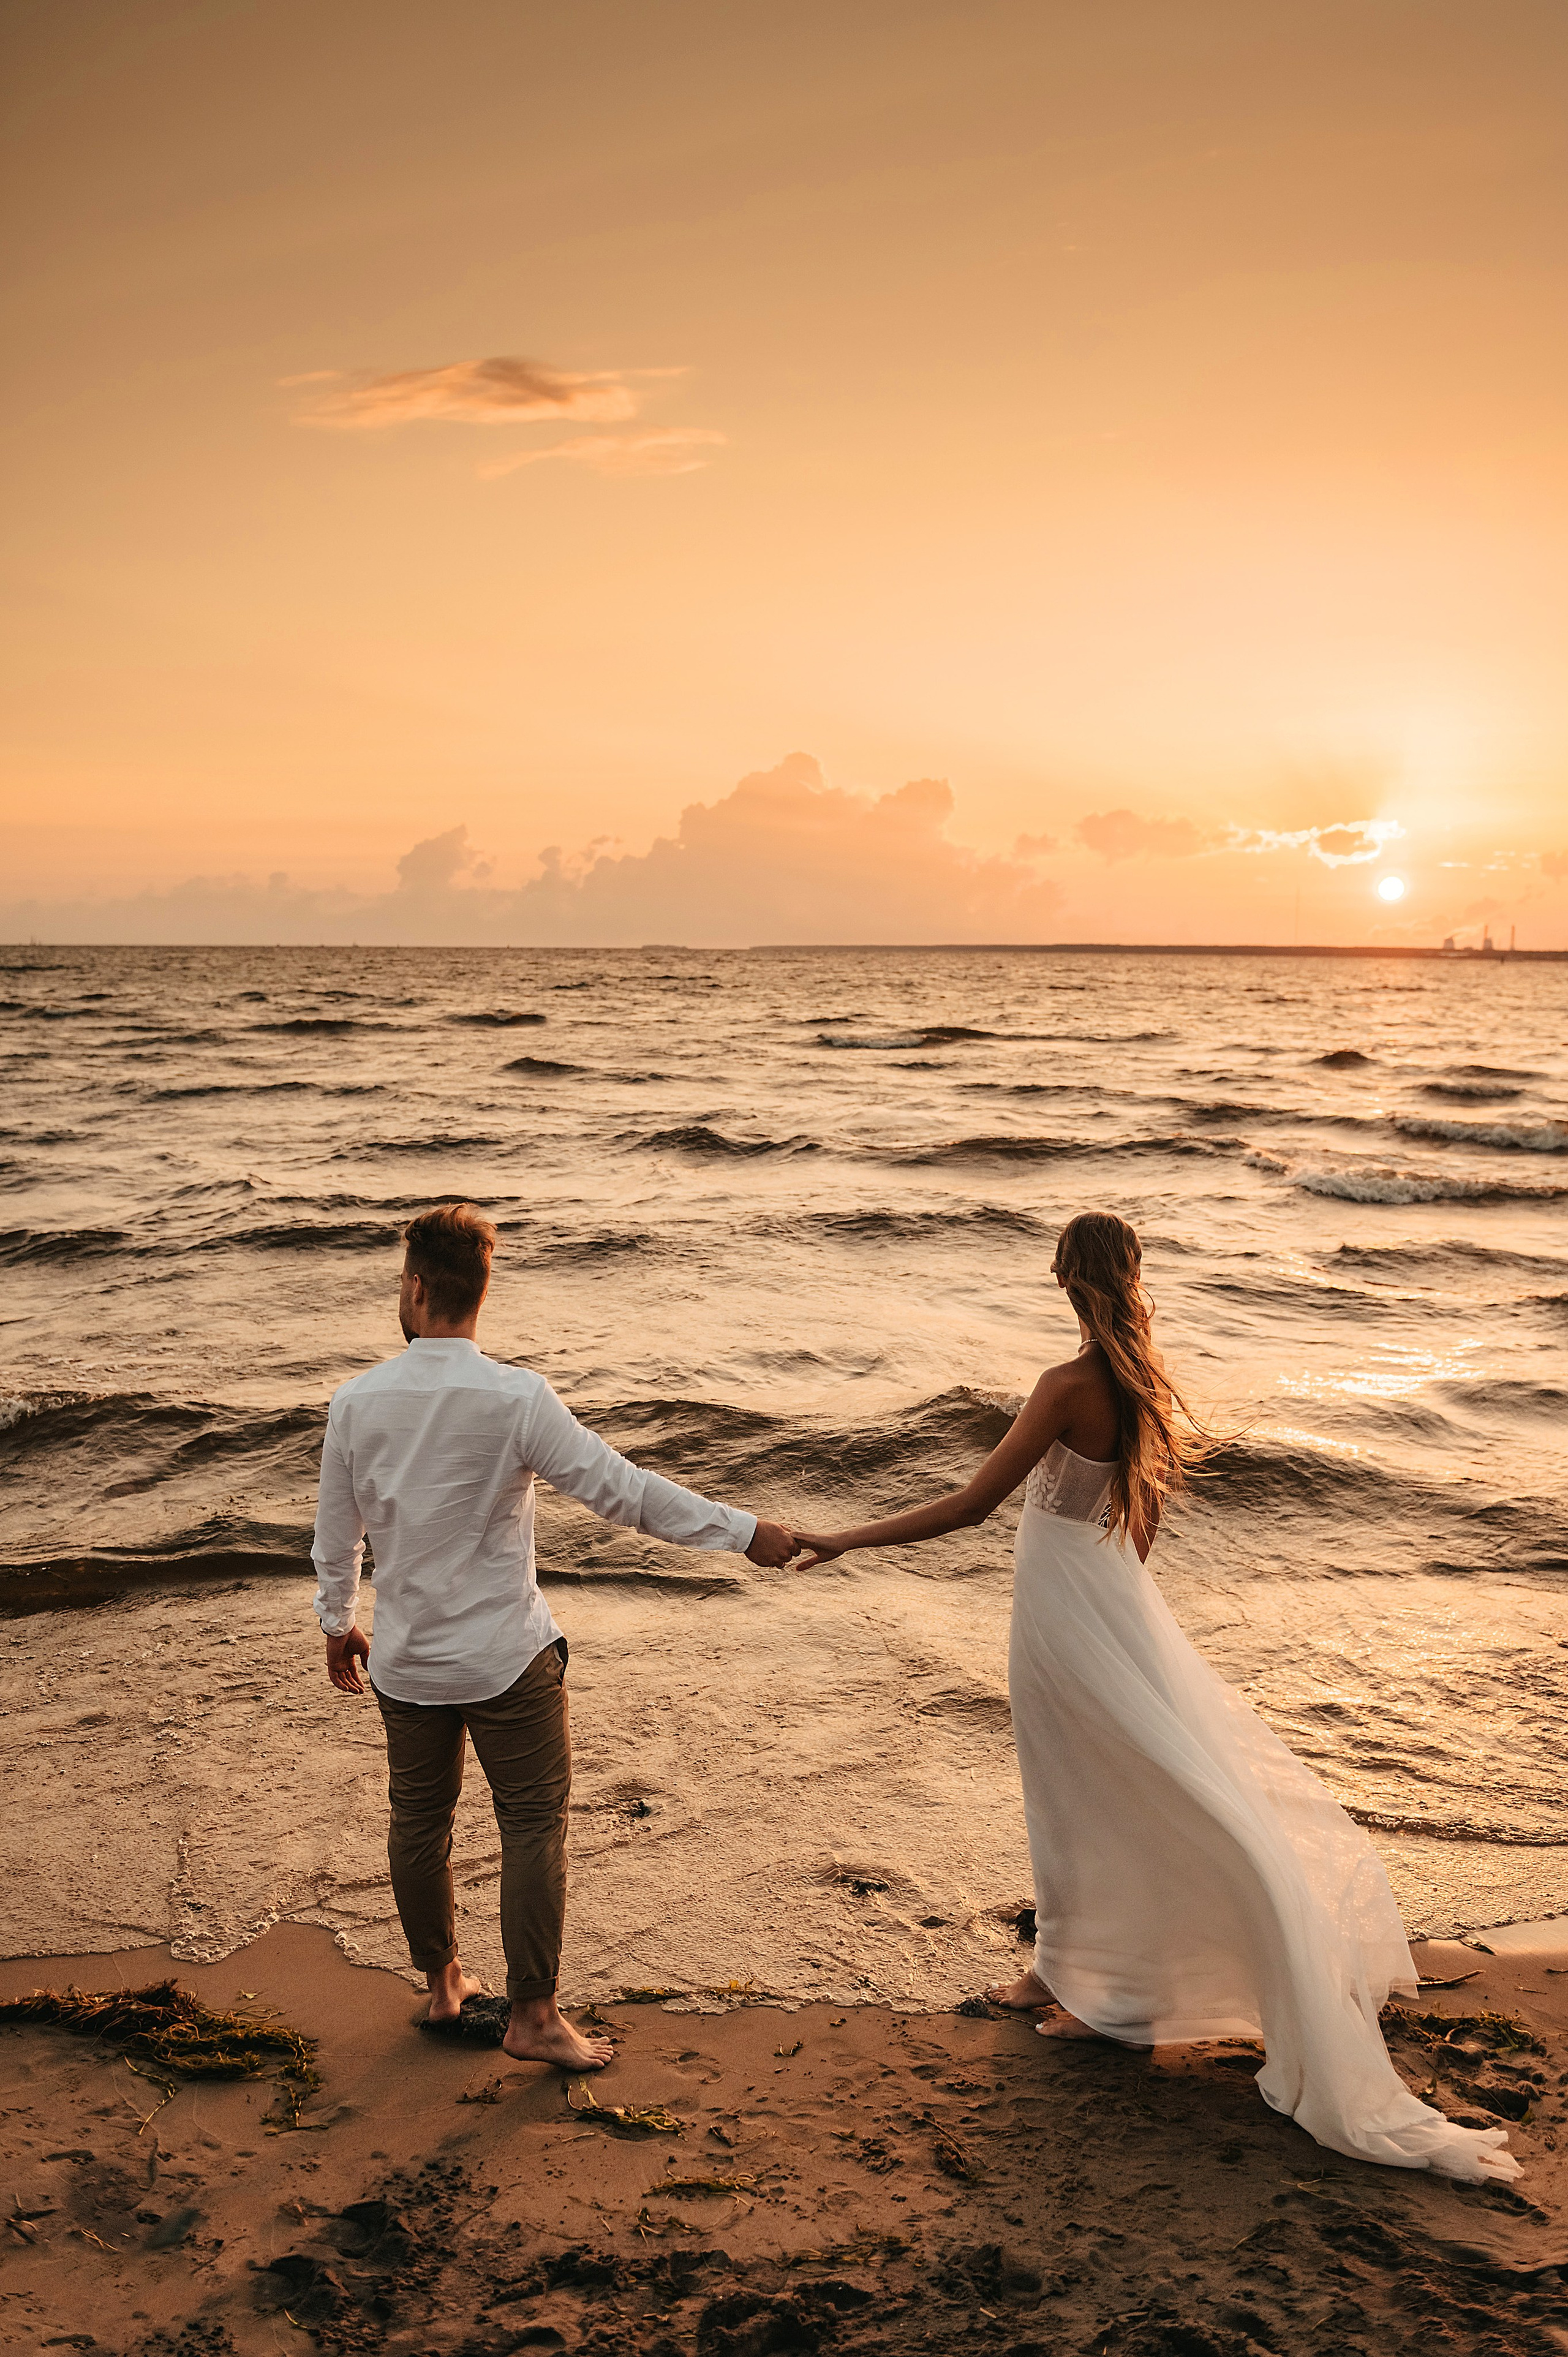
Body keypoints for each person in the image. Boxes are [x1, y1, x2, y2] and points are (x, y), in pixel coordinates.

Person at [794, 1210, 1518, 2183]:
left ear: (1063, 1274)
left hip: (1059, 1610)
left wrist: (843, 1540)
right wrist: (1112, 1612)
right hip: (1107, 1603)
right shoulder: (1145, 1386)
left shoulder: (1065, 1385)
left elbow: (970, 1507)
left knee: (1073, 1794)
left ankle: (1108, 2005)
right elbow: (1139, 1529)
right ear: (1130, 1274)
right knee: (1087, 1791)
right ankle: (1059, 1970)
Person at [312, 1201, 797, 2072]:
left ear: (417, 1290)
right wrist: (742, 1530)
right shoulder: (515, 1398)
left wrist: (336, 1621)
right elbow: (624, 1492)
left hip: (410, 1662)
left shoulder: (356, 1403)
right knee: (532, 1825)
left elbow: (336, 1532)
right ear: (478, 1294)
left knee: (418, 1822)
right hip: (506, 1660)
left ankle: (443, 1987)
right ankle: (532, 2016)